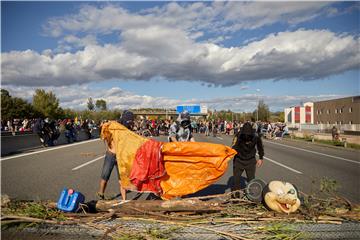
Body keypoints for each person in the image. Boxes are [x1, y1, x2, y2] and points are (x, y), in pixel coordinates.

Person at [97, 110, 134, 201]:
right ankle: (101, 193)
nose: (129, 123)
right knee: (105, 176)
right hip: (111, 155)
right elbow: (102, 130)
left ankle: (124, 200)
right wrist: (104, 125)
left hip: (121, 156)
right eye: (128, 121)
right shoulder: (114, 125)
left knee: (122, 179)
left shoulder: (128, 129)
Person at [231, 122, 264, 192]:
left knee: (251, 180)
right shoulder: (238, 135)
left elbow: (260, 147)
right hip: (239, 160)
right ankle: (235, 197)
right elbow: (233, 147)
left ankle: (251, 197)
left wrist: (261, 158)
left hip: (250, 161)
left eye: (248, 135)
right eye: (245, 135)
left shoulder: (256, 136)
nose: (246, 137)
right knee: (236, 181)